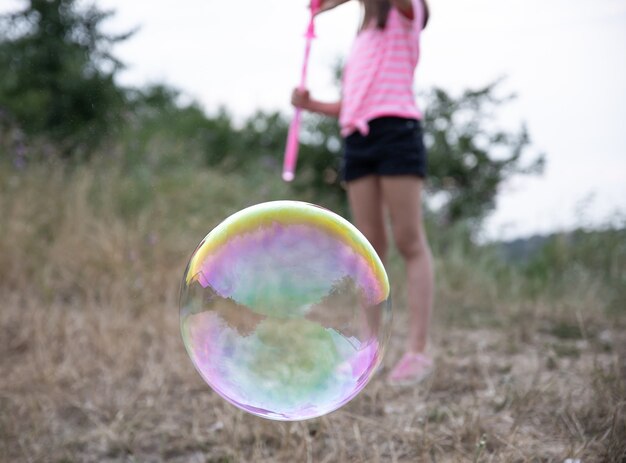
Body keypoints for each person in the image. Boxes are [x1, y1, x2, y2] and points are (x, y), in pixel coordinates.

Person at [291, 0, 434, 385]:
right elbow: (353, 103)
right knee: (370, 247)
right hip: (357, 139)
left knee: (409, 240)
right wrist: (311, 104)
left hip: (396, 131)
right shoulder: (363, 36)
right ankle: (372, 351)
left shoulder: (409, 12)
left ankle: (418, 352)